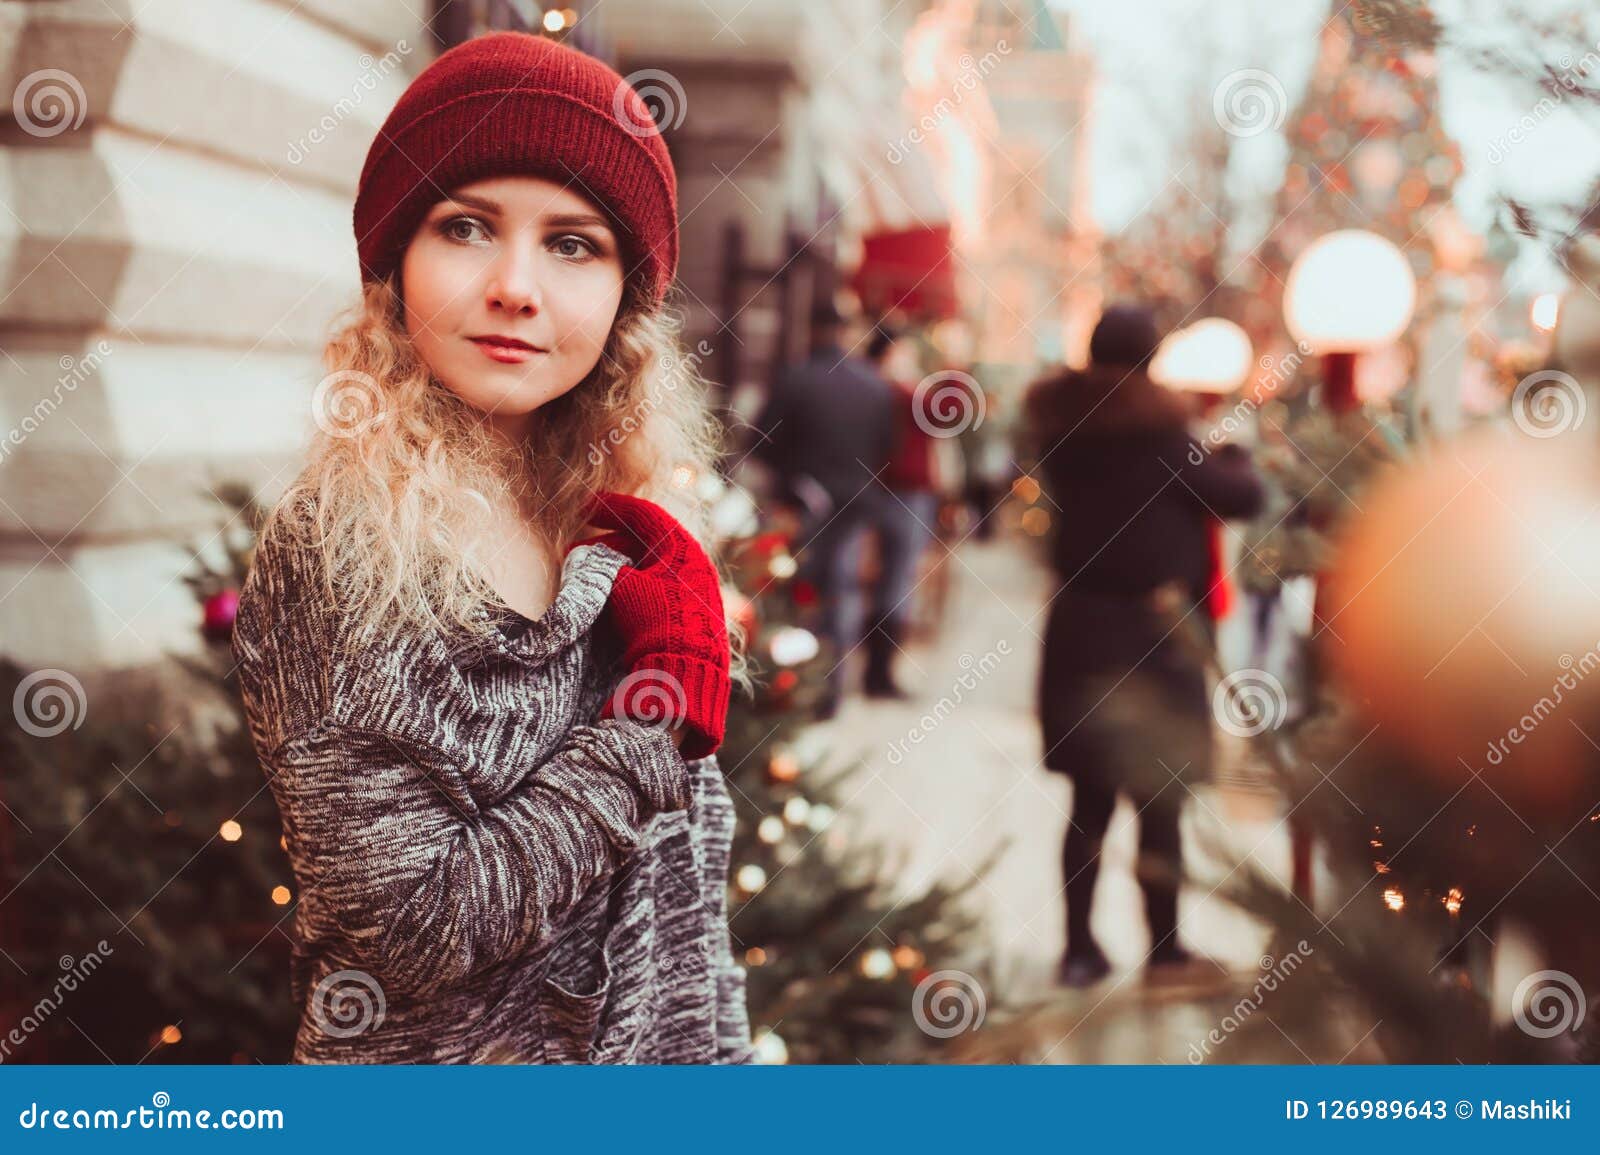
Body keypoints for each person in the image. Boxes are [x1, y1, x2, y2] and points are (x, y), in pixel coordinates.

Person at [231, 32, 751, 1063]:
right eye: (466, 226)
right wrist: (652, 722)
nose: (516, 285)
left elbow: (689, 919)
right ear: (396, 263)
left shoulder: (622, 536)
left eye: (572, 243)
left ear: (623, 299)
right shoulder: (340, 549)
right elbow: (410, 930)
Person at [1022, 304, 1264, 988]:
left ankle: (1077, 951)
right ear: (1153, 356)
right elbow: (1238, 495)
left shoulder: (1061, 426)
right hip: (1155, 635)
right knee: (1161, 801)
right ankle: (1164, 952)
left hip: (1079, 627)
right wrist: (1233, 451)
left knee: (1089, 802)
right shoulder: (1162, 431)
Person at [753, 302, 896, 717]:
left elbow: (760, 441)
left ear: (811, 329)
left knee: (795, 594)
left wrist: (795, 475)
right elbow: (887, 448)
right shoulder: (873, 385)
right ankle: (830, 689)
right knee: (842, 591)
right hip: (855, 503)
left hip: (803, 504)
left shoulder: (796, 378)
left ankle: (791, 689)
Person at [861, 324, 942, 699]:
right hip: (900, 493)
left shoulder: (887, 391)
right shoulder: (894, 392)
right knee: (896, 580)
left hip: (896, 492)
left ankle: (878, 670)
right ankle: (879, 674)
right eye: (905, 352)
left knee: (893, 579)